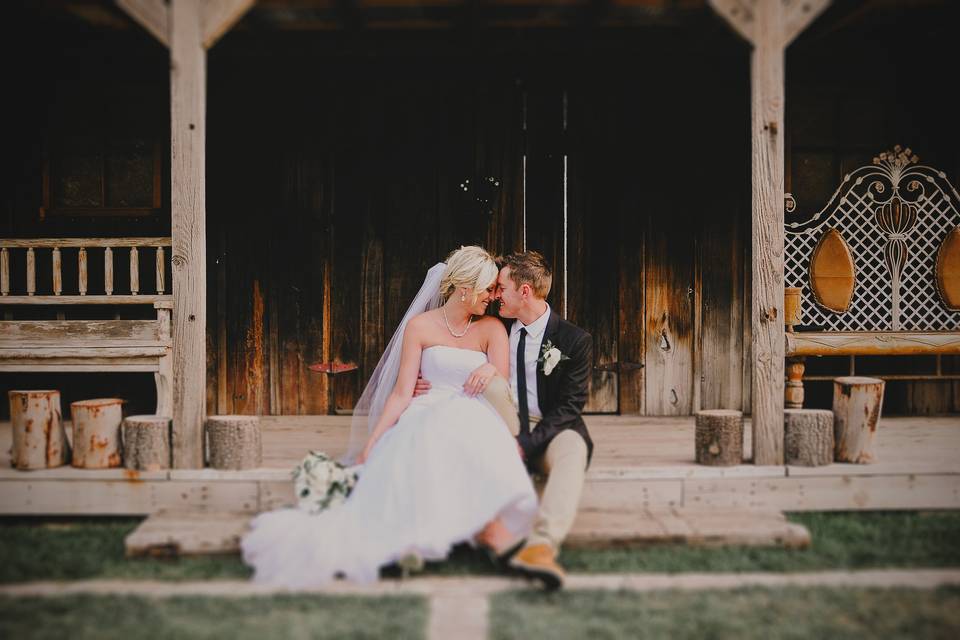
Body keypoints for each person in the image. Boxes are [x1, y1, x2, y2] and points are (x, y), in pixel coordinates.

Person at [241, 246, 537, 588]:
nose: (493, 297)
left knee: (461, 432)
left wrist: (490, 371)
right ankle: (424, 536)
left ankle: (489, 533)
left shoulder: (491, 330)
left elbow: (501, 384)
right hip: (426, 411)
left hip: (474, 413)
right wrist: (373, 440)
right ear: (465, 288)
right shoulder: (420, 327)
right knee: (425, 437)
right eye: (487, 289)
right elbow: (400, 392)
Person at [416, 250, 593, 591]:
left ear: (524, 292)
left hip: (549, 426)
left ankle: (541, 547)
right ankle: (490, 532)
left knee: (573, 446)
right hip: (498, 418)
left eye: (501, 288)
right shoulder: (495, 324)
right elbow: (453, 354)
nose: (494, 295)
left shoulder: (574, 340)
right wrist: (424, 383)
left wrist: (525, 445)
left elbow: (570, 408)